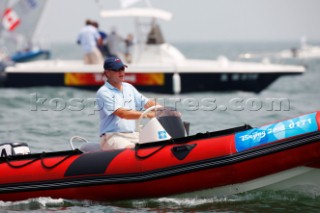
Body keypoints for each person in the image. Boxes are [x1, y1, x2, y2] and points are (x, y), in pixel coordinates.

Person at [96, 56, 157, 150]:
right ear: (107, 73)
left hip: (134, 135)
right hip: (113, 136)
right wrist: (148, 115)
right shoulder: (103, 92)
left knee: (155, 145)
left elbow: (147, 103)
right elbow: (122, 113)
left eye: (122, 69)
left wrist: (164, 110)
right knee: (133, 151)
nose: (121, 73)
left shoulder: (128, 87)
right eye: (116, 70)